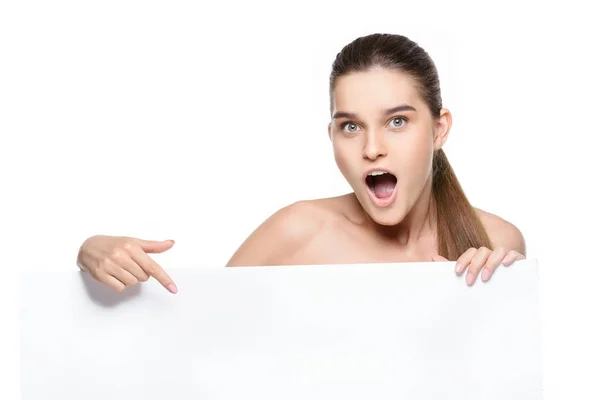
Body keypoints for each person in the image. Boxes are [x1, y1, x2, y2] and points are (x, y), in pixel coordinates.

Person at [76, 33, 526, 294]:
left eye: (396, 121)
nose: (372, 148)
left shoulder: (497, 242)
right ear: (332, 135)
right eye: (350, 126)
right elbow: (196, 341)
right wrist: (92, 252)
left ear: (439, 129)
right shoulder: (298, 231)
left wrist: (491, 295)